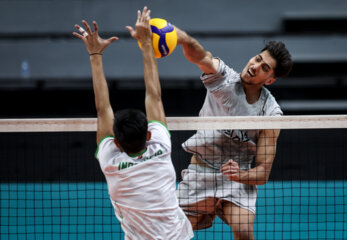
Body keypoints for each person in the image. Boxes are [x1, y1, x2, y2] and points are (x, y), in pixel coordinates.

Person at [73, 7, 193, 240]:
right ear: (148, 136)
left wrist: (95, 55)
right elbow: (154, 95)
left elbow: (102, 108)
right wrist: (147, 43)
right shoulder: (160, 145)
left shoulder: (110, 161)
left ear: (116, 141)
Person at [175, 26, 293, 240]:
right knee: (170, 232)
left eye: (264, 67)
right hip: (200, 173)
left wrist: (240, 175)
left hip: (237, 181)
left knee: (243, 231)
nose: (255, 66)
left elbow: (263, 173)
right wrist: (182, 38)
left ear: (270, 80)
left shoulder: (271, 113)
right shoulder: (223, 79)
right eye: (257, 59)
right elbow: (201, 56)